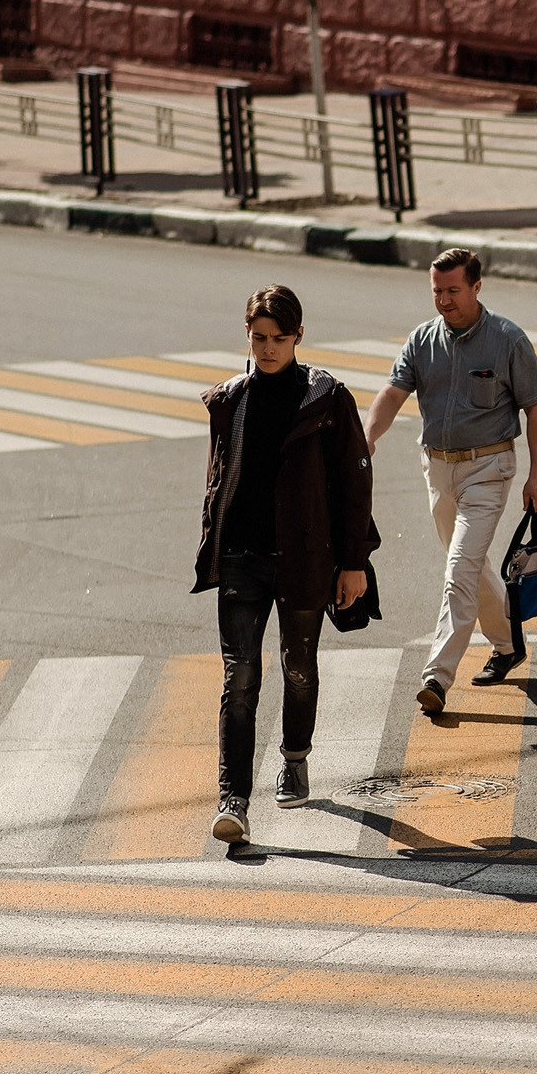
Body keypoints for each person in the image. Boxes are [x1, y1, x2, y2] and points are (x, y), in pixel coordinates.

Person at [193, 284, 378, 846]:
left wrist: (353, 563)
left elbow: (354, 484)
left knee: (298, 669)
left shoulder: (326, 400)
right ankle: (233, 799)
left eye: (278, 338)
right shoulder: (230, 400)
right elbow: (219, 476)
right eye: (258, 338)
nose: (267, 348)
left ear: (299, 336)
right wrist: (213, 539)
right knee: (240, 676)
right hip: (242, 558)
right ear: (245, 335)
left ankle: (294, 756)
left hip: (303, 559)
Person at [365, 248, 537, 717]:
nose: (444, 300)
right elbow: (392, 393)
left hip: (489, 470)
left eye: (453, 290)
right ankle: (508, 642)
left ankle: (436, 676)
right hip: (438, 470)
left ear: (476, 288)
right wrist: (366, 438)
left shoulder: (508, 340)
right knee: (468, 564)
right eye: (437, 291)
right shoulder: (422, 340)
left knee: (458, 571)